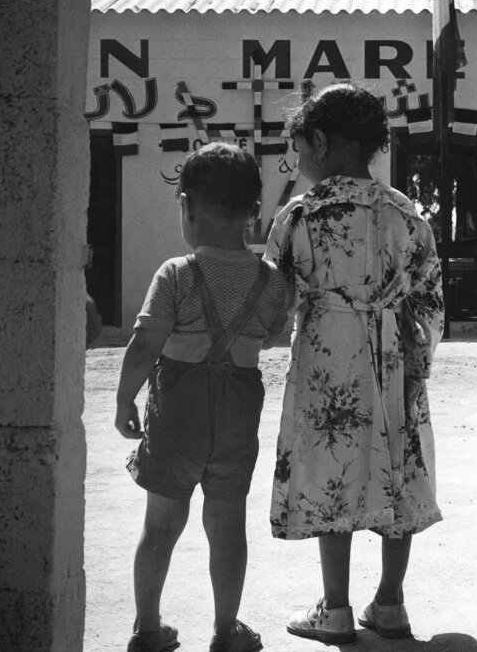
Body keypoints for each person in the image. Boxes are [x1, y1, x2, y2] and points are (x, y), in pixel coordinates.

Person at [264, 83, 444, 644]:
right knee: (400, 467)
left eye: (299, 151)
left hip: (326, 360)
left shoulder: (300, 214)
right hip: (394, 357)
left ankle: (335, 608)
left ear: (318, 141)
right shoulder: (406, 213)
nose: (298, 163)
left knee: (329, 468)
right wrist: (419, 365)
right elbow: (431, 304)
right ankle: (390, 603)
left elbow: (278, 299)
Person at [114, 142, 292, 652]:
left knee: (161, 524)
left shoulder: (175, 274)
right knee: (227, 523)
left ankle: (147, 629)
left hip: (178, 412)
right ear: (255, 213)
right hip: (238, 409)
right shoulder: (272, 280)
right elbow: (273, 333)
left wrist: (125, 399)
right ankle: (226, 629)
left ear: (187, 205)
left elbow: (145, 343)